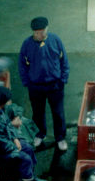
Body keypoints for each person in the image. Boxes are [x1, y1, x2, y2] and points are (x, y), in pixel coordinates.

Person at [18, 16, 70, 151]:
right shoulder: (27, 44)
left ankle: (60, 138)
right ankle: (39, 134)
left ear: (47, 29)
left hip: (55, 85)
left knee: (58, 113)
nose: (39, 35)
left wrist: (63, 79)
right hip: (35, 86)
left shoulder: (55, 40)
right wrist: (27, 82)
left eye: (42, 32)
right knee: (38, 112)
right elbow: (22, 65)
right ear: (33, 32)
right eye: (36, 32)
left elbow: (64, 60)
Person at [0, 57, 38, 144]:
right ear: (0, 72)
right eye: (5, 70)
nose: (6, 71)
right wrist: (12, 123)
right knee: (24, 127)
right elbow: (7, 102)